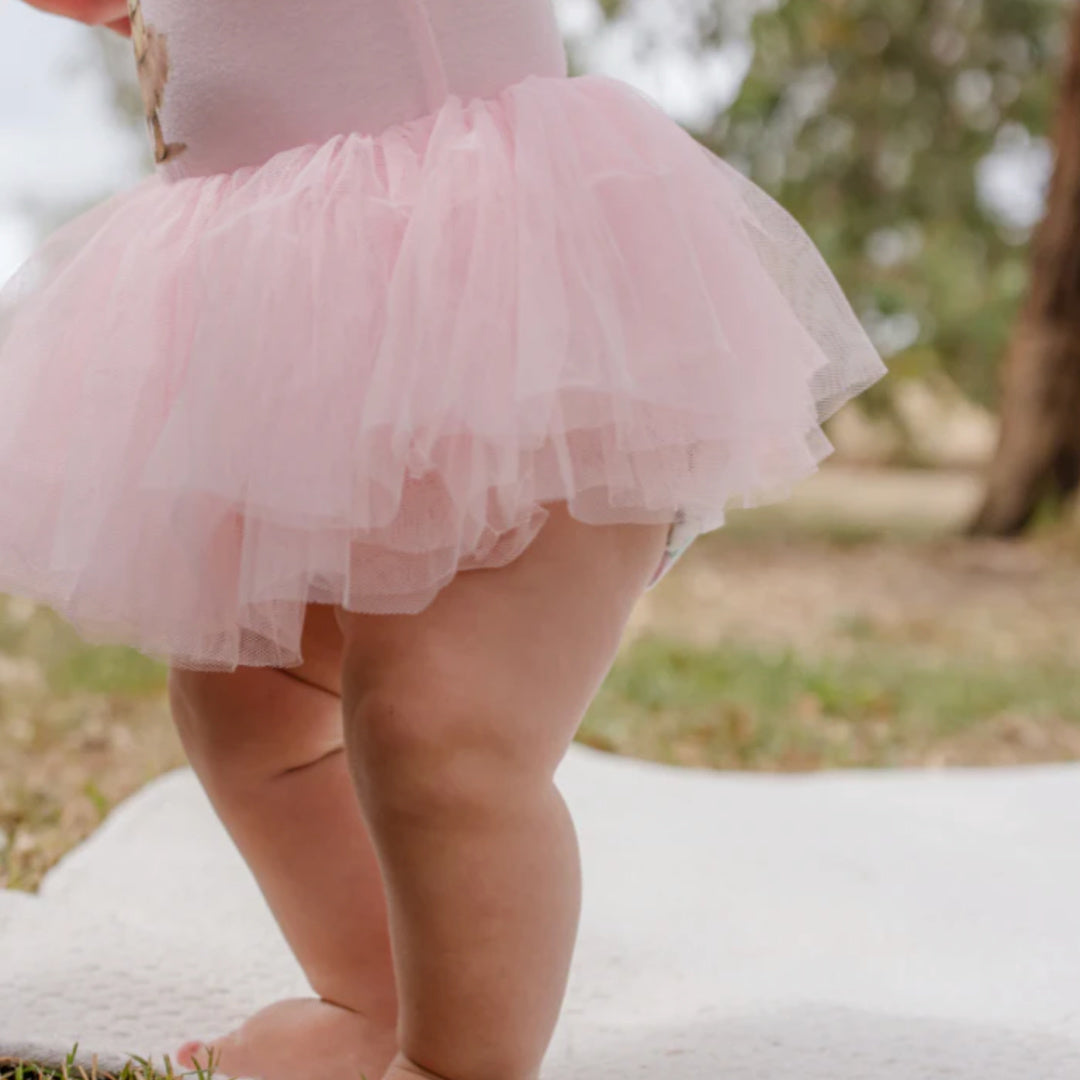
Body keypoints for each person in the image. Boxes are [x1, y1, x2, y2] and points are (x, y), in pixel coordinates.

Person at [2, 2, 887, 1078]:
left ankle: (456, 1062)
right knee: (245, 708)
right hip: (286, 358)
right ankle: (373, 1002)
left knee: (436, 725)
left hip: (516, 341)